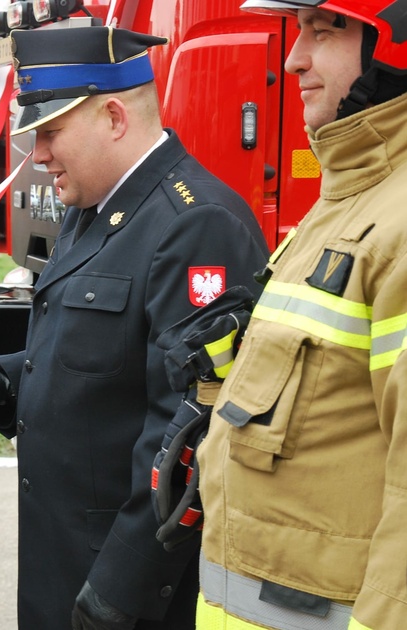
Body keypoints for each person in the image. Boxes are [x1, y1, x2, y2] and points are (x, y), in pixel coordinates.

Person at [0, 26, 270, 630]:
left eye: (49, 132)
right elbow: (89, 356)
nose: (37, 155)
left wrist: (120, 592)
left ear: (115, 116)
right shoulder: (91, 210)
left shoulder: (196, 224)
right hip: (61, 564)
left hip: (124, 587)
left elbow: (190, 429)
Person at [196, 2, 407, 629]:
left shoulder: (395, 223)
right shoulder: (347, 199)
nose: (293, 58)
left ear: (391, 45)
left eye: (324, 30)